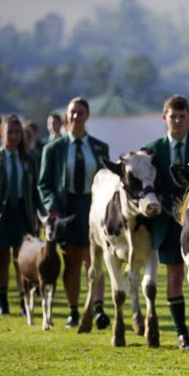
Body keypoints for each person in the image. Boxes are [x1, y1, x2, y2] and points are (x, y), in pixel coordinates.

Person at [145, 95, 189, 351]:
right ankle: (182, 334)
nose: (177, 121)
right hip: (167, 224)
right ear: (164, 118)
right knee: (174, 275)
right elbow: (145, 183)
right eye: (172, 116)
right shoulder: (152, 149)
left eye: (182, 116)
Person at [38, 97, 110, 328]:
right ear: (66, 116)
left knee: (96, 260)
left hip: (94, 208)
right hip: (66, 209)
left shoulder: (100, 147)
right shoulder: (54, 148)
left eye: (80, 112)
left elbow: (106, 180)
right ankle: (73, 311)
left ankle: (98, 309)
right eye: (72, 112)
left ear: (87, 116)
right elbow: (44, 183)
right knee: (72, 262)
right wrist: (53, 208)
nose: (76, 116)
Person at [0, 115, 43, 316]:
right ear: (2, 133)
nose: (13, 136)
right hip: (1, 214)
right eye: (10, 132)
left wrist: (41, 214)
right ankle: (3, 301)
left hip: (23, 213)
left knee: (22, 259)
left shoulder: (29, 158)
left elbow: (35, 190)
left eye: (17, 133)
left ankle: (24, 301)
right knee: (1, 258)